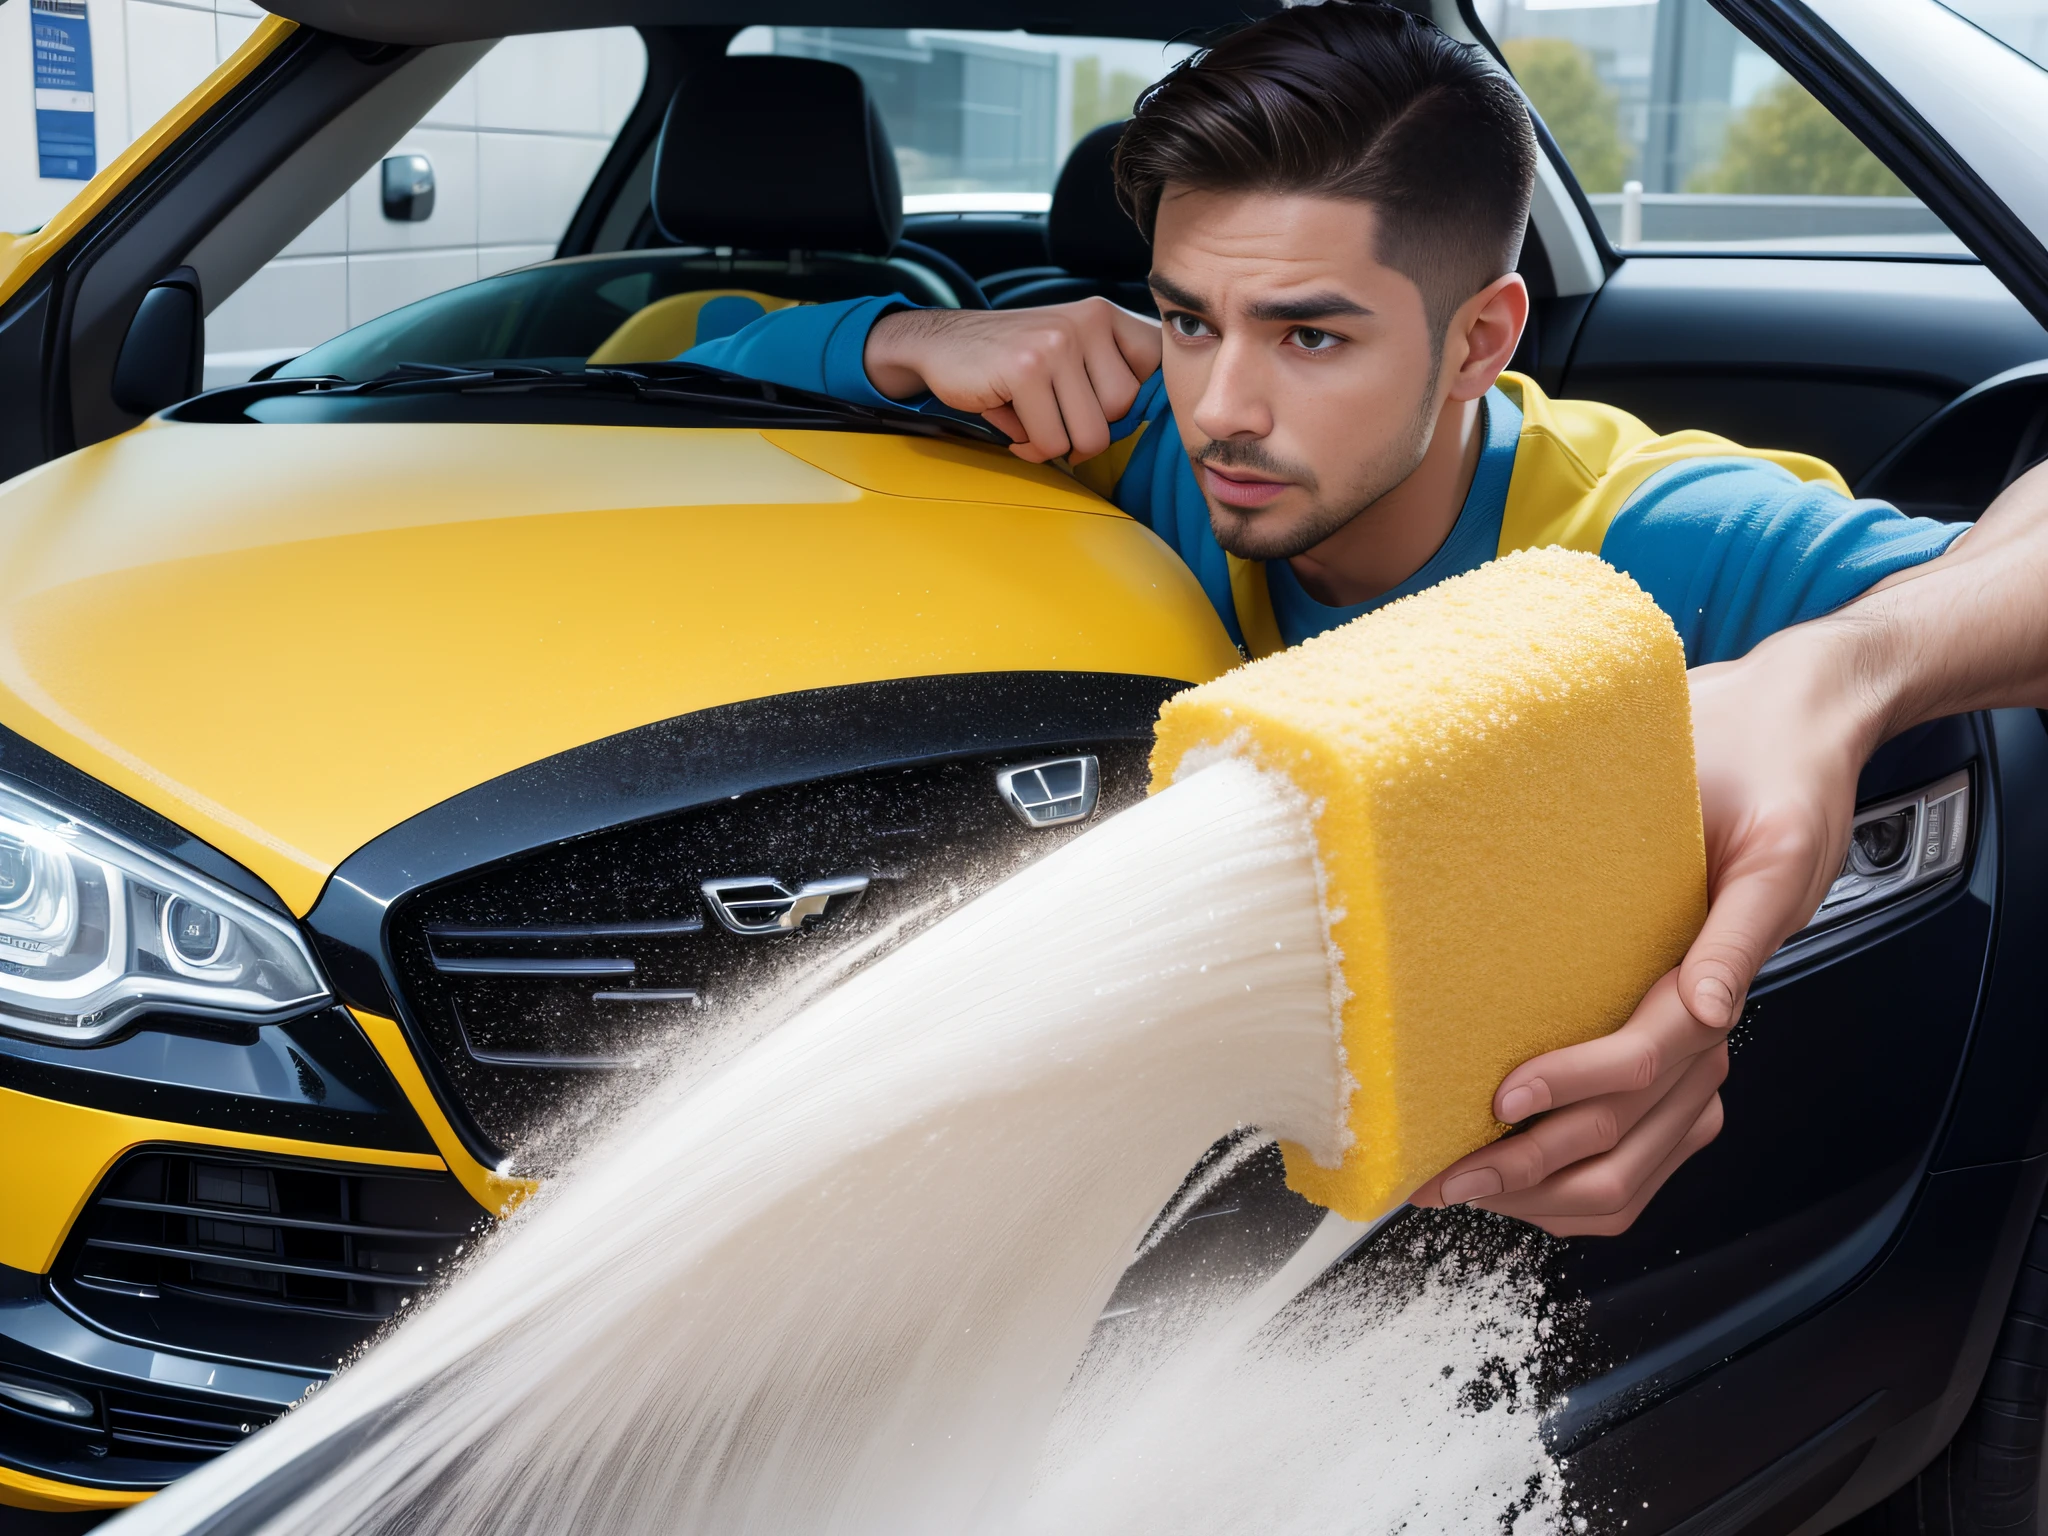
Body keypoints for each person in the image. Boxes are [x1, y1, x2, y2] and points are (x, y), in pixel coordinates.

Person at [685, 0, 2048, 1236]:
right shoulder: (1105, 419)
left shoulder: (1649, 535)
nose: (1221, 405)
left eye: (1311, 337)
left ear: (1479, 341)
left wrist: (1842, 672)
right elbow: (660, 381)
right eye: (1189, 318)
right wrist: (897, 343)